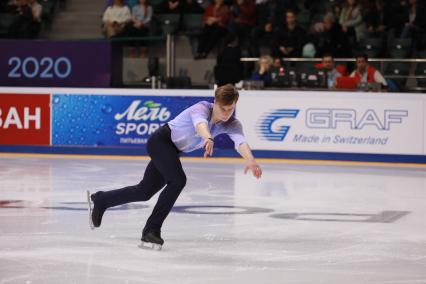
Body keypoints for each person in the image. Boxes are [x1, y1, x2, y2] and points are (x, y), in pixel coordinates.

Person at [87, 84, 263, 250]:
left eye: (230, 109)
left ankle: (102, 199)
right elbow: (200, 124)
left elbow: (240, 142)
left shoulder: (232, 123)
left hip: (172, 151)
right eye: (222, 109)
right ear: (215, 103)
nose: (226, 113)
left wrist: (251, 160)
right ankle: (151, 230)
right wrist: (208, 138)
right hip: (160, 141)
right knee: (178, 180)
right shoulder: (201, 108)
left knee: (144, 191)